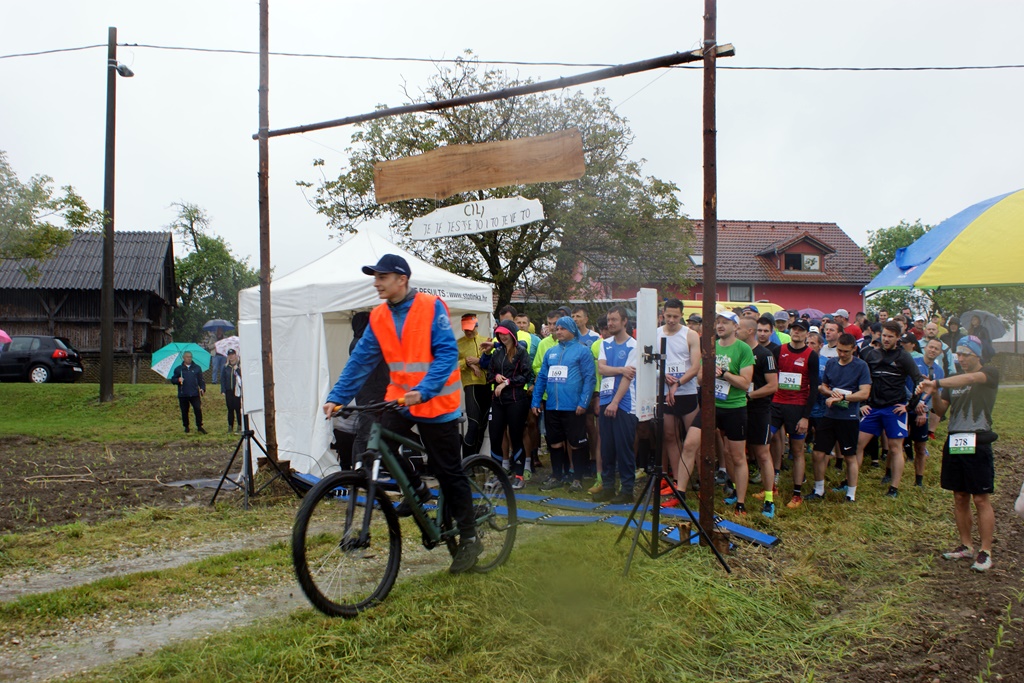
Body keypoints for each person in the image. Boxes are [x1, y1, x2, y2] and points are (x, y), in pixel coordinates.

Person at [322, 253, 481, 575]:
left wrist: (425, 389)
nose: (376, 283)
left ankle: (469, 538)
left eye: (381, 277)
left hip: (436, 402)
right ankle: (418, 489)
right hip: (400, 400)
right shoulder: (379, 316)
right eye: (374, 277)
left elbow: (447, 353)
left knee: (448, 472)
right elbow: (362, 359)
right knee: (376, 449)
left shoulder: (430, 306)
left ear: (401, 280)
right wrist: (337, 396)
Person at [921, 336, 999, 572]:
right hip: (955, 440)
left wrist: (940, 382)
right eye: (959, 355)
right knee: (959, 497)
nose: (961, 359)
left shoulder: (989, 373)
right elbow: (942, 409)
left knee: (980, 498)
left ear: (977, 355)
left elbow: (972, 378)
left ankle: (986, 550)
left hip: (978, 439)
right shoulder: (951, 381)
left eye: (966, 354)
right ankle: (966, 545)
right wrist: (935, 390)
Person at [856, 321, 925, 498]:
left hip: (894, 409)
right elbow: (862, 379)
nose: (886, 339)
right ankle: (852, 485)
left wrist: (909, 406)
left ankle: (894, 488)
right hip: (873, 408)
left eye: (890, 336)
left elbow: (919, 381)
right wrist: (863, 403)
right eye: (884, 335)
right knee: (858, 444)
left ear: (897, 338)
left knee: (895, 448)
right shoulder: (871, 354)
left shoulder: (903, 357)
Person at [532, 316, 595, 492]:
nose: (558, 331)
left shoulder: (583, 351)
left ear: (572, 330)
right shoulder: (550, 352)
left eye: (562, 328)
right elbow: (542, 378)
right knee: (554, 442)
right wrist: (536, 400)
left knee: (576, 443)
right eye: (557, 328)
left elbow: (589, 379)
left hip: (573, 407)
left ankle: (577, 478)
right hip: (552, 406)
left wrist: (583, 402)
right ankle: (557, 475)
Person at [811, 334, 871, 502]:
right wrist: (830, 393)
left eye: (846, 351)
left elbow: (865, 392)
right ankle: (819, 490)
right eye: (839, 350)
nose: (842, 354)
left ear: (854, 349)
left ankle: (851, 494)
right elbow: (823, 386)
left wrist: (843, 398)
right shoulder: (831, 363)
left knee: (850, 456)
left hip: (849, 417)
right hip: (829, 415)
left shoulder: (861, 366)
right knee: (818, 453)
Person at [771, 318, 819, 508]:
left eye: (801, 330)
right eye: (794, 329)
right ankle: (771, 485)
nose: (796, 332)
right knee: (766, 441)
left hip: (798, 407)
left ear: (807, 334)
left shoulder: (811, 355)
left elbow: (814, 388)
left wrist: (806, 416)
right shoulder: (778, 350)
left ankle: (797, 493)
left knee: (797, 450)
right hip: (776, 404)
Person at [594, 306, 639, 504]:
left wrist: (615, 402)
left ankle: (627, 489)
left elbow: (628, 378)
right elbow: (602, 368)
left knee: (624, 448)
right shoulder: (605, 343)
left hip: (624, 403)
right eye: (608, 320)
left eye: (614, 320)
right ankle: (608, 486)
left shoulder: (634, 346)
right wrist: (620, 369)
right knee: (607, 447)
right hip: (605, 399)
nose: (610, 323)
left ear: (624, 322)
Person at [712, 311, 755, 515]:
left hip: (735, 407)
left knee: (737, 456)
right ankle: (732, 488)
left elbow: (745, 383)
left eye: (725, 323)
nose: (720, 326)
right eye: (718, 322)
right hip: (714, 405)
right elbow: (701, 377)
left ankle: (741, 502)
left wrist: (725, 374)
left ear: (735, 327)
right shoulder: (712, 346)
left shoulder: (743, 348)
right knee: (725, 452)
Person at [737, 316, 779, 518]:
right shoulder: (737, 351)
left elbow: (773, 386)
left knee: (762, 454)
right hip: (738, 409)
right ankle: (738, 494)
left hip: (759, 410)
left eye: (739, 328)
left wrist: (750, 395)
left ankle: (769, 498)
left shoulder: (765, 354)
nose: (735, 330)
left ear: (749, 331)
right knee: (737, 453)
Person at [485, 321, 533, 489]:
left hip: (516, 400)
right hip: (498, 401)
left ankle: (519, 474)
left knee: (516, 436)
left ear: (512, 334)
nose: (502, 336)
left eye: (505, 333)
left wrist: (507, 382)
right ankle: (497, 472)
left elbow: (527, 375)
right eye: (499, 333)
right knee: (495, 435)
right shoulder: (497, 352)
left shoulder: (521, 352)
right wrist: (496, 377)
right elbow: (489, 374)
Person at [658, 299, 701, 490]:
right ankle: (676, 479)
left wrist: (678, 382)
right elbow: (648, 361)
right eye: (668, 316)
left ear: (682, 315)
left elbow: (695, 367)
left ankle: (698, 477)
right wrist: (661, 374)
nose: (672, 320)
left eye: (676, 316)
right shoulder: (656, 334)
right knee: (670, 436)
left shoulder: (690, 335)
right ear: (663, 314)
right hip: (665, 391)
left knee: (692, 437)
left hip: (687, 391)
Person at [458, 313, 491, 458]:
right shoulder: (458, 344)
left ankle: (475, 462)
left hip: (486, 385)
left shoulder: (486, 341)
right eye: (465, 329)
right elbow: (451, 366)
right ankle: (466, 464)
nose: (468, 331)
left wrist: (479, 361)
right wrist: (466, 362)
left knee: (482, 427)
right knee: (473, 425)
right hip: (471, 385)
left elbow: (494, 363)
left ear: (476, 325)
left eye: (470, 328)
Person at [169, 351, 206, 434]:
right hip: (183, 394)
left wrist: (202, 388)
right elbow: (173, 379)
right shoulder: (179, 369)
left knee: (197, 409)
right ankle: (186, 426)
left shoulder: (197, 368)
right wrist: (178, 380)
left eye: (190, 357)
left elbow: (201, 380)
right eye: (187, 357)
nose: (189, 358)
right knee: (184, 411)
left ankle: (199, 426)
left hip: (194, 393)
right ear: (183, 358)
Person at [219, 349, 242, 433]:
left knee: (238, 408)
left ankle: (239, 425)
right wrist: (223, 389)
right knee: (230, 409)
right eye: (229, 355)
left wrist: (237, 369)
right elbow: (223, 379)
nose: (231, 356)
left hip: (237, 391)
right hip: (229, 391)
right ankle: (230, 426)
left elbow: (242, 377)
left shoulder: (239, 366)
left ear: (235, 355)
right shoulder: (225, 367)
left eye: (232, 354)